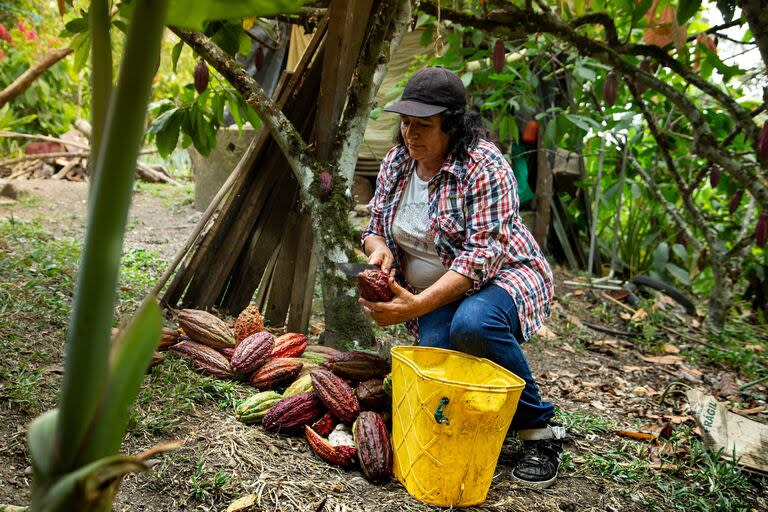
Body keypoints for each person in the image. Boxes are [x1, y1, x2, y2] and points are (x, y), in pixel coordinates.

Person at [359, 67, 564, 489]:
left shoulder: (483, 166)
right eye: (406, 123)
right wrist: (378, 250)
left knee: (474, 325)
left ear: (451, 125)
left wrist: (417, 305)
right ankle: (488, 421)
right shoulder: (399, 161)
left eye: (424, 125)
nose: (410, 134)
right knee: (437, 362)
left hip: (504, 276)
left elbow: (482, 257)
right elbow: (375, 226)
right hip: (437, 289)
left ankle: (539, 431)